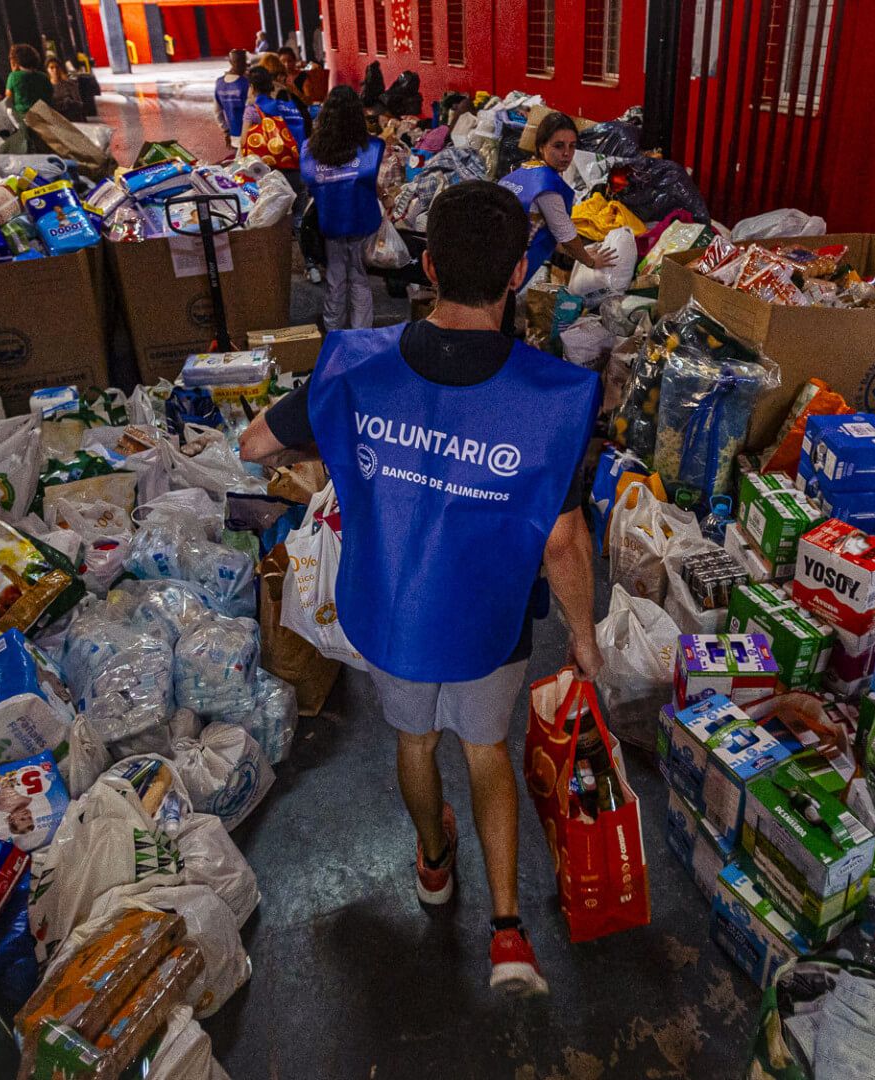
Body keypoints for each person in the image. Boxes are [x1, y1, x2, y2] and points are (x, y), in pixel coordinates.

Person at [238, 181, 604, 997]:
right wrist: (583, 638)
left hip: (390, 614)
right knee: (486, 754)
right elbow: (565, 541)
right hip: (489, 626)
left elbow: (254, 442)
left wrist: (332, 457)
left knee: (413, 744)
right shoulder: (557, 398)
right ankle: (508, 934)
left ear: (428, 265)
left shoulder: (353, 367)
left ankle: (435, 867)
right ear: (518, 274)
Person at [497, 112, 617, 286]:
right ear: (541, 147)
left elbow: (551, 233)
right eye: (558, 146)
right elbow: (565, 234)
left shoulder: (521, 172)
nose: (567, 154)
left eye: (572, 146)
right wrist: (591, 262)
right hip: (509, 267)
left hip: (494, 255)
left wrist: (576, 251)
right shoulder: (547, 187)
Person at [302, 87, 383, 332]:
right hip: (362, 221)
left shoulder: (310, 149)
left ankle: (333, 333)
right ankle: (361, 336)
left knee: (335, 280)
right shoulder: (373, 147)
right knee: (359, 279)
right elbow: (371, 181)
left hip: (330, 222)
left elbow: (309, 184)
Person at [242, 64, 307, 170]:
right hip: (295, 163)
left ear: (252, 88)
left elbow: (243, 141)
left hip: (268, 168)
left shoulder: (252, 110)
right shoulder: (288, 106)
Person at [5, 43, 53, 118]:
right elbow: (50, 96)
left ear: (15, 61)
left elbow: (8, 101)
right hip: (45, 117)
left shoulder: (13, 76)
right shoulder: (44, 76)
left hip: (25, 119)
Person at [215, 49, 250, 148]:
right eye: (242, 62)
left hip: (234, 134)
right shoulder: (246, 82)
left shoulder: (219, 82)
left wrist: (226, 131)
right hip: (251, 134)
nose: (243, 65)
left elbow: (217, 112)